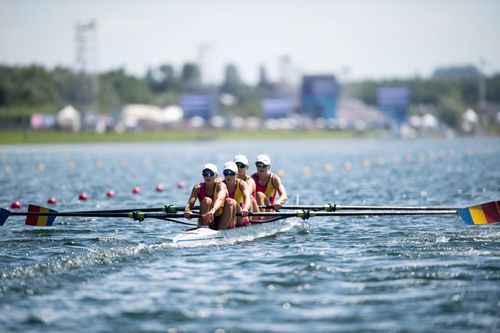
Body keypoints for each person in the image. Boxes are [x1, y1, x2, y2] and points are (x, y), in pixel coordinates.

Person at [184, 163, 236, 230]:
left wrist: (212, 210)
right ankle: (204, 229)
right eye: (205, 174)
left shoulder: (221, 185)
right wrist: (187, 210)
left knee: (230, 202)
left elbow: (220, 199)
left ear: (216, 175)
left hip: (223, 218)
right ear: (203, 175)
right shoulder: (197, 188)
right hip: (207, 219)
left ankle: (222, 231)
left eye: (211, 174)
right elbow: (189, 204)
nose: (208, 176)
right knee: (207, 200)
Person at [222, 161, 251, 226]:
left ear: (236, 174)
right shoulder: (221, 185)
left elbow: (247, 198)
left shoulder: (242, 184)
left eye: (231, 173)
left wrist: (246, 208)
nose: (228, 176)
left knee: (231, 202)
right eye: (226, 173)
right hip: (226, 215)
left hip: (240, 216)